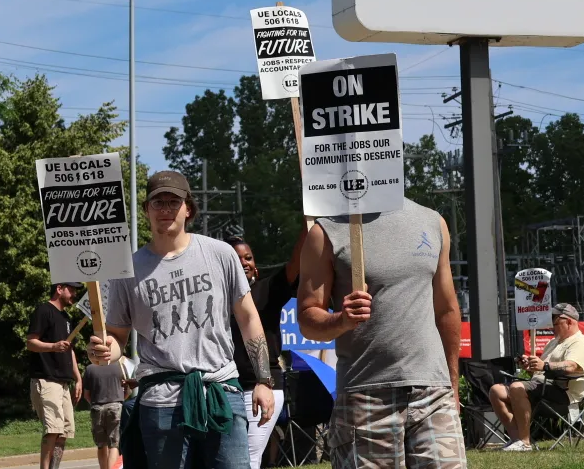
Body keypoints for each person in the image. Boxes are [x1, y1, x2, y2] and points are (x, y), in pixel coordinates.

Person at [89, 170, 275, 469]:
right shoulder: (128, 270)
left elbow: (248, 317)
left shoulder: (220, 254)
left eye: (173, 202)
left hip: (221, 394)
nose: (165, 209)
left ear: (188, 208)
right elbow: (117, 336)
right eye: (157, 202)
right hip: (161, 403)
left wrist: (264, 380)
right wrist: (105, 350)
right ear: (147, 209)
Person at [297, 198, 465, 468]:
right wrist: (342, 319)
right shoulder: (327, 230)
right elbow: (307, 318)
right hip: (365, 397)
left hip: (433, 394)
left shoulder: (433, 222)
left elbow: (446, 309)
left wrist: (452, 386)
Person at [228, 231, 304, 469]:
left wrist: (309, 222)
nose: (243, 262)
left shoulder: (267, 291)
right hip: (223, 389)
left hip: (260, 388)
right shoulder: (213, 300)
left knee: (246, 459)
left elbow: (297, 262)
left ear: (256, 267)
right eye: (235, 258)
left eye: (248, 258)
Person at [488, 303, 584, 452]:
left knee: (516, 387)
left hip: (564, 393)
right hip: (543, 387)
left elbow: (572, 366)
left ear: (569, 322)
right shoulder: (553, 342)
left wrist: (544, 366)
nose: (551, 327)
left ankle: (524, 443)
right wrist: (530, 366)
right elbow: (539, 372)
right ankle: (517, 439)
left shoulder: (579, 342)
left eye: (554, 323)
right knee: (496, 391)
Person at [26, 281, 84, 469]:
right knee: (53, 430)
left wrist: (78, 378)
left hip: (64, 383)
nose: (74, 294)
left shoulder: (66, 318)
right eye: (72, 290)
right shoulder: (43, 310)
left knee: (64, 432)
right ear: (59, 289)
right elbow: (31, 342)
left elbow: (70, 351)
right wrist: (53, 346)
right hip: (46, 379)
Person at [82, 362, 126, 469]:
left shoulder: (90, 368)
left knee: (101, 445)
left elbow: (86, 395)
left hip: (97, 408)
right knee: (114, 444)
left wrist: (95, 404)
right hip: (115, 407)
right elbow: (128, 389)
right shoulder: (120, 366)